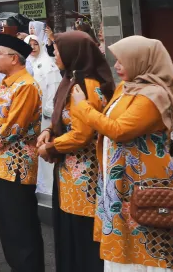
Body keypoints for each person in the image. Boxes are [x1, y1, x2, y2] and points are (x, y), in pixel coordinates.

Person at [71, 36, 173, 271]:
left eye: (122, 61)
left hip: (143, 180)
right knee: (123, 240)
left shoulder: (153, 95)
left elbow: (119, 130)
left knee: (149, 236)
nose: (117, 67)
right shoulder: (127, 88)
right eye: (116, 61)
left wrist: (82, 106)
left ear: (141, 61)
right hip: (121, 179)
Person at [36, 30, 114, 272]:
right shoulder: (71, 78)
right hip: (70, 172)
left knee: (82, 234)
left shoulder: (86, 85)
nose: (54, 55)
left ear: (73, 53)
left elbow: (82, 133)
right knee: (69, 231)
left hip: (85, 177)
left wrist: (51, 146)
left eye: (58, 51)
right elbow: (65, 118)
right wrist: (49, 131)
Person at [0, 33, 44, 272]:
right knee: (7, 225)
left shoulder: (26, 86)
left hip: (17, 166)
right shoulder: (7, 83)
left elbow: (13, 127)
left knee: (20, 225)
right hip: (0, 165)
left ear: (14, 59)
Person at [27, 31, 61, 196]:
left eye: (36, 44)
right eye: (30, 45)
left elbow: (54, 90)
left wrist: (47, 112)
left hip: (45, 118)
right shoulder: (28, 63)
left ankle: (48, 188)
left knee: (44, 149)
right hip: (31, 117)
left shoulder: (49, 64)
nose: (33, 48)